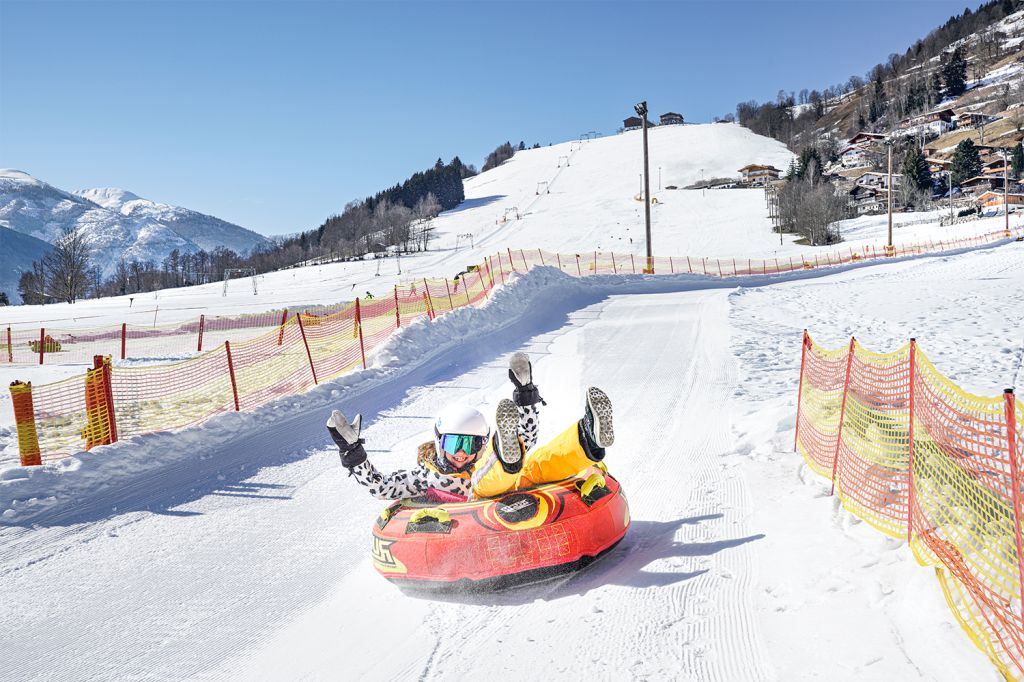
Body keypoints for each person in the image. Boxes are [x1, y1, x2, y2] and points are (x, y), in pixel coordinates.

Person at [327, 352, 614, 501]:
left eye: (472, 445)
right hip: (478, 501)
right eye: (455, 444)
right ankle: (505, 458)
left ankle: (588, 436)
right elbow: (384, 488)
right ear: (440, 443)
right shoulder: (425, 476)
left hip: (513, 483)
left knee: (538, 462)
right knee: (485, 479)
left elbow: (526, 434)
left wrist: (526, 394)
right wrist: (353, 453)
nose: (462, 454)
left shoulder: (476, 459)